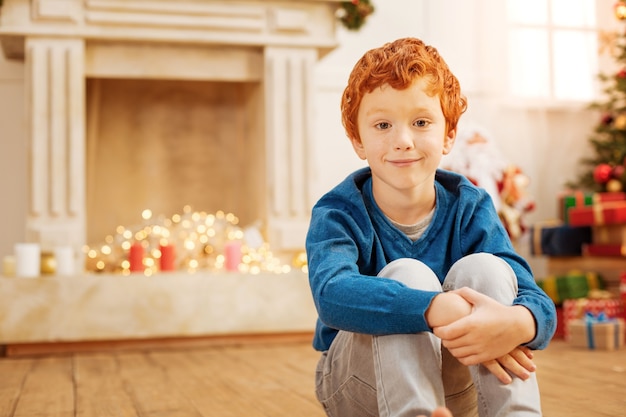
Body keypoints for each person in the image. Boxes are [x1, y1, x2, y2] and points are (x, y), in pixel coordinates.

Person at [305, 37, 557, 417]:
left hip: (458, 383)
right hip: (358, 386)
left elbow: (535, 299)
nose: (403, 141)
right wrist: (432, 306)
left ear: (449, 135)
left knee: (487, 268)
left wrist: (519, 321)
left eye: (421, 122)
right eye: (383, 124)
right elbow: (331, 295)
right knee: (407, 274)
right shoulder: (339, 211)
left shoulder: (470, 205)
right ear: (358, 139)